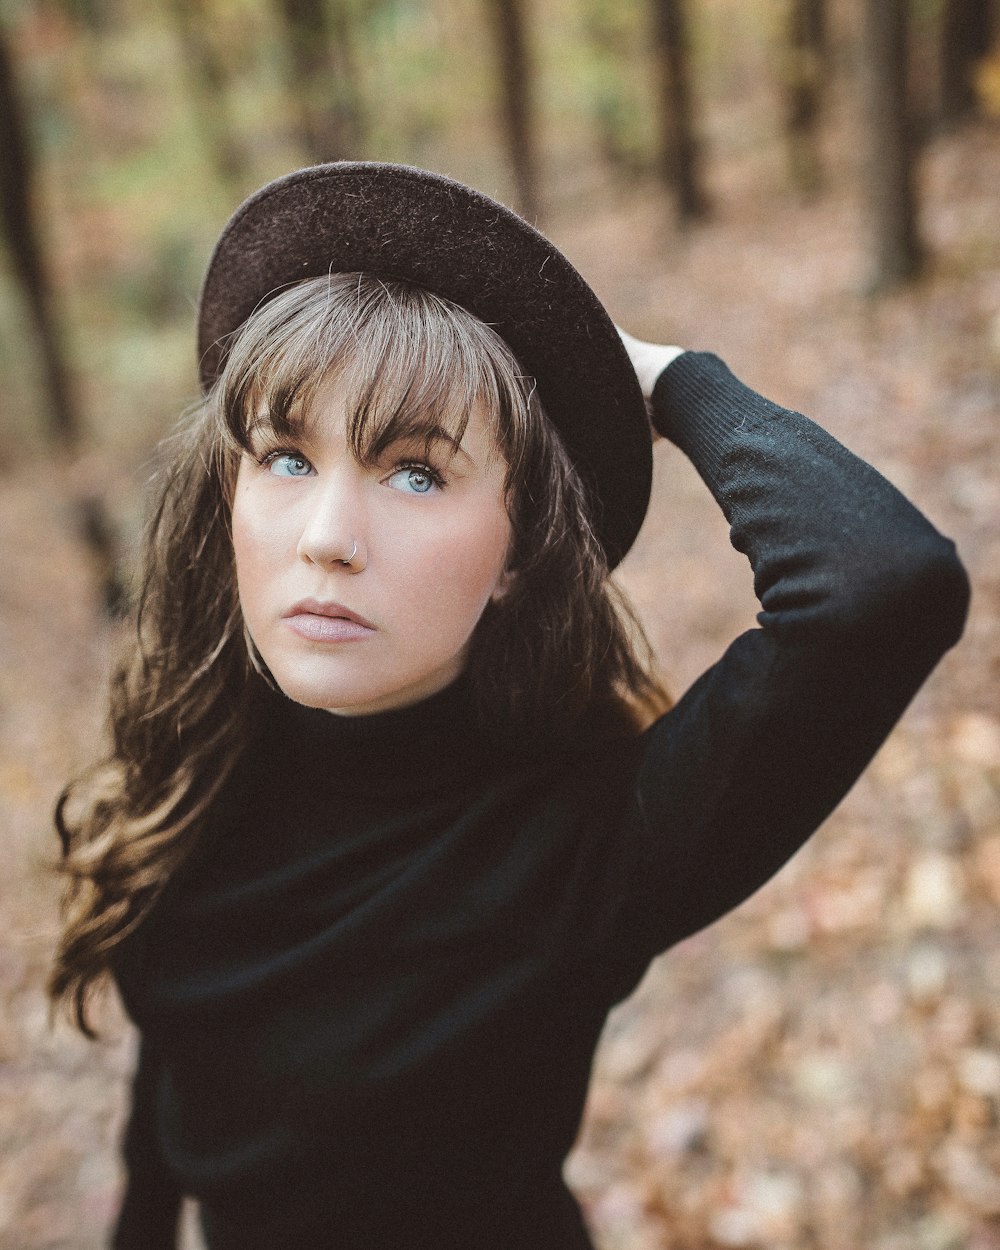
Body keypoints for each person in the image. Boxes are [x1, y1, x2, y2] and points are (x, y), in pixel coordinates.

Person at [50, 163, 969, 1250]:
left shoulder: (583, 844)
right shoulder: (195, 758)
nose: (326, 535)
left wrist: (668, 379)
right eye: (286, 455)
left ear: (517, 554)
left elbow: (880, 584)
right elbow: (176, 1095)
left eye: (415, 473)